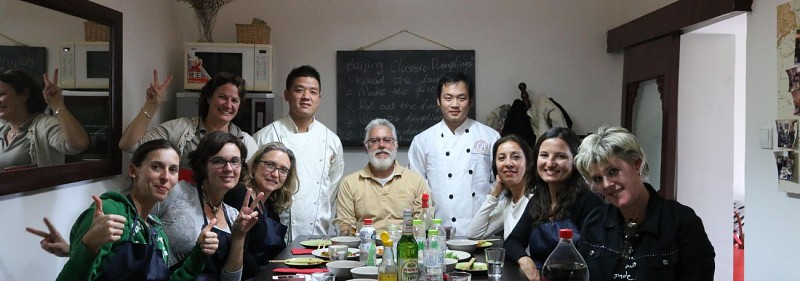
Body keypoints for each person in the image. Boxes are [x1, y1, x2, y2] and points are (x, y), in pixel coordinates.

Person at [27, 139, 218, 280]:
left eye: (173, 170)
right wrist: (88, 244)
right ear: (133, 171)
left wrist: (199, 253)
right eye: (156, 167)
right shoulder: (111, 211)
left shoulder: (156, 229)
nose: (165, 177)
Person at [574, 126, 715, 281]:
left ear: (636, 164)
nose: (607, 184)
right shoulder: (594, 222)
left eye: (613, 171)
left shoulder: (682, 222)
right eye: (597, 179)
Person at [151, 131, 264, 281]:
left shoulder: (233, 214)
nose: (229, 168)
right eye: (219, 161)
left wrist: (239, 237)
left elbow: (230, 279)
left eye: (235, 161)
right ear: (203, 165)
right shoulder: (176, 191)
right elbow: (139, 223)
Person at [253, 65, 344, 240]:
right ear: (287, 95)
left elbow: (331, 189)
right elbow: (253, 184)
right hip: (271, 233)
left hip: (317, 233)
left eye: (313, 92)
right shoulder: (265, 136)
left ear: (319, 98)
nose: (306, 97)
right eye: (299, 90)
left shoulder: (331, 141)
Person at [505, 127, 604, 281]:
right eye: (544, 155)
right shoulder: (539, 200)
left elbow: (594, 262)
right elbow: (512, 241)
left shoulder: (589, 202)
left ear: (576, 161)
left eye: (560, 156)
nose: (550, 163)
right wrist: (524, 259)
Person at [408, 71, 500, 232]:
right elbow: (416, 189)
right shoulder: (422, 141)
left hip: (481, 231)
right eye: (448, 98)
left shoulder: (490, 137)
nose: (455, 104)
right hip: (436, 232)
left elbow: (500, 185)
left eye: (461, 98)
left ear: (470, 101)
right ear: (438, 101)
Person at [118, 70, 258, 170]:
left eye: (234, 100)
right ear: (209, 98)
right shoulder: (181, 129)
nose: (228, 105)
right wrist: (151, 105)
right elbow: (129, 145)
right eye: (222, 97)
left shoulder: (245, 142)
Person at [334, 118, 430, 233]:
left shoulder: (416, 181)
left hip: (404, 247)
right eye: (374, 141)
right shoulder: (349, 184)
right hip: (365, 247)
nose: (381, 145)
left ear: (395, 145)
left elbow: (422, 224)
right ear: (366, 147)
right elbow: (345, 228)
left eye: (387, 140)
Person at [224, 142, 298, 279]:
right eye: (270, 165)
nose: (275, 174)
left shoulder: (270, 204)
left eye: (283, 170)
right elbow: (240, 253)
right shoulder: (240, 194)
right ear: (254, 167)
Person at [0, 69, 89, 170]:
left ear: (25, 94)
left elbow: (79, 144)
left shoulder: (44, 125)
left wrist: (57, 104)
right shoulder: (3, 130)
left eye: (1, 94)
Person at [466, 134, 533, 240]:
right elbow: (474, 234)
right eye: (501, 158)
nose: (508, 163)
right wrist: (494, 193)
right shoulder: (508, 203)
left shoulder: (535, 200)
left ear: (528, 163)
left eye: (516, 157)